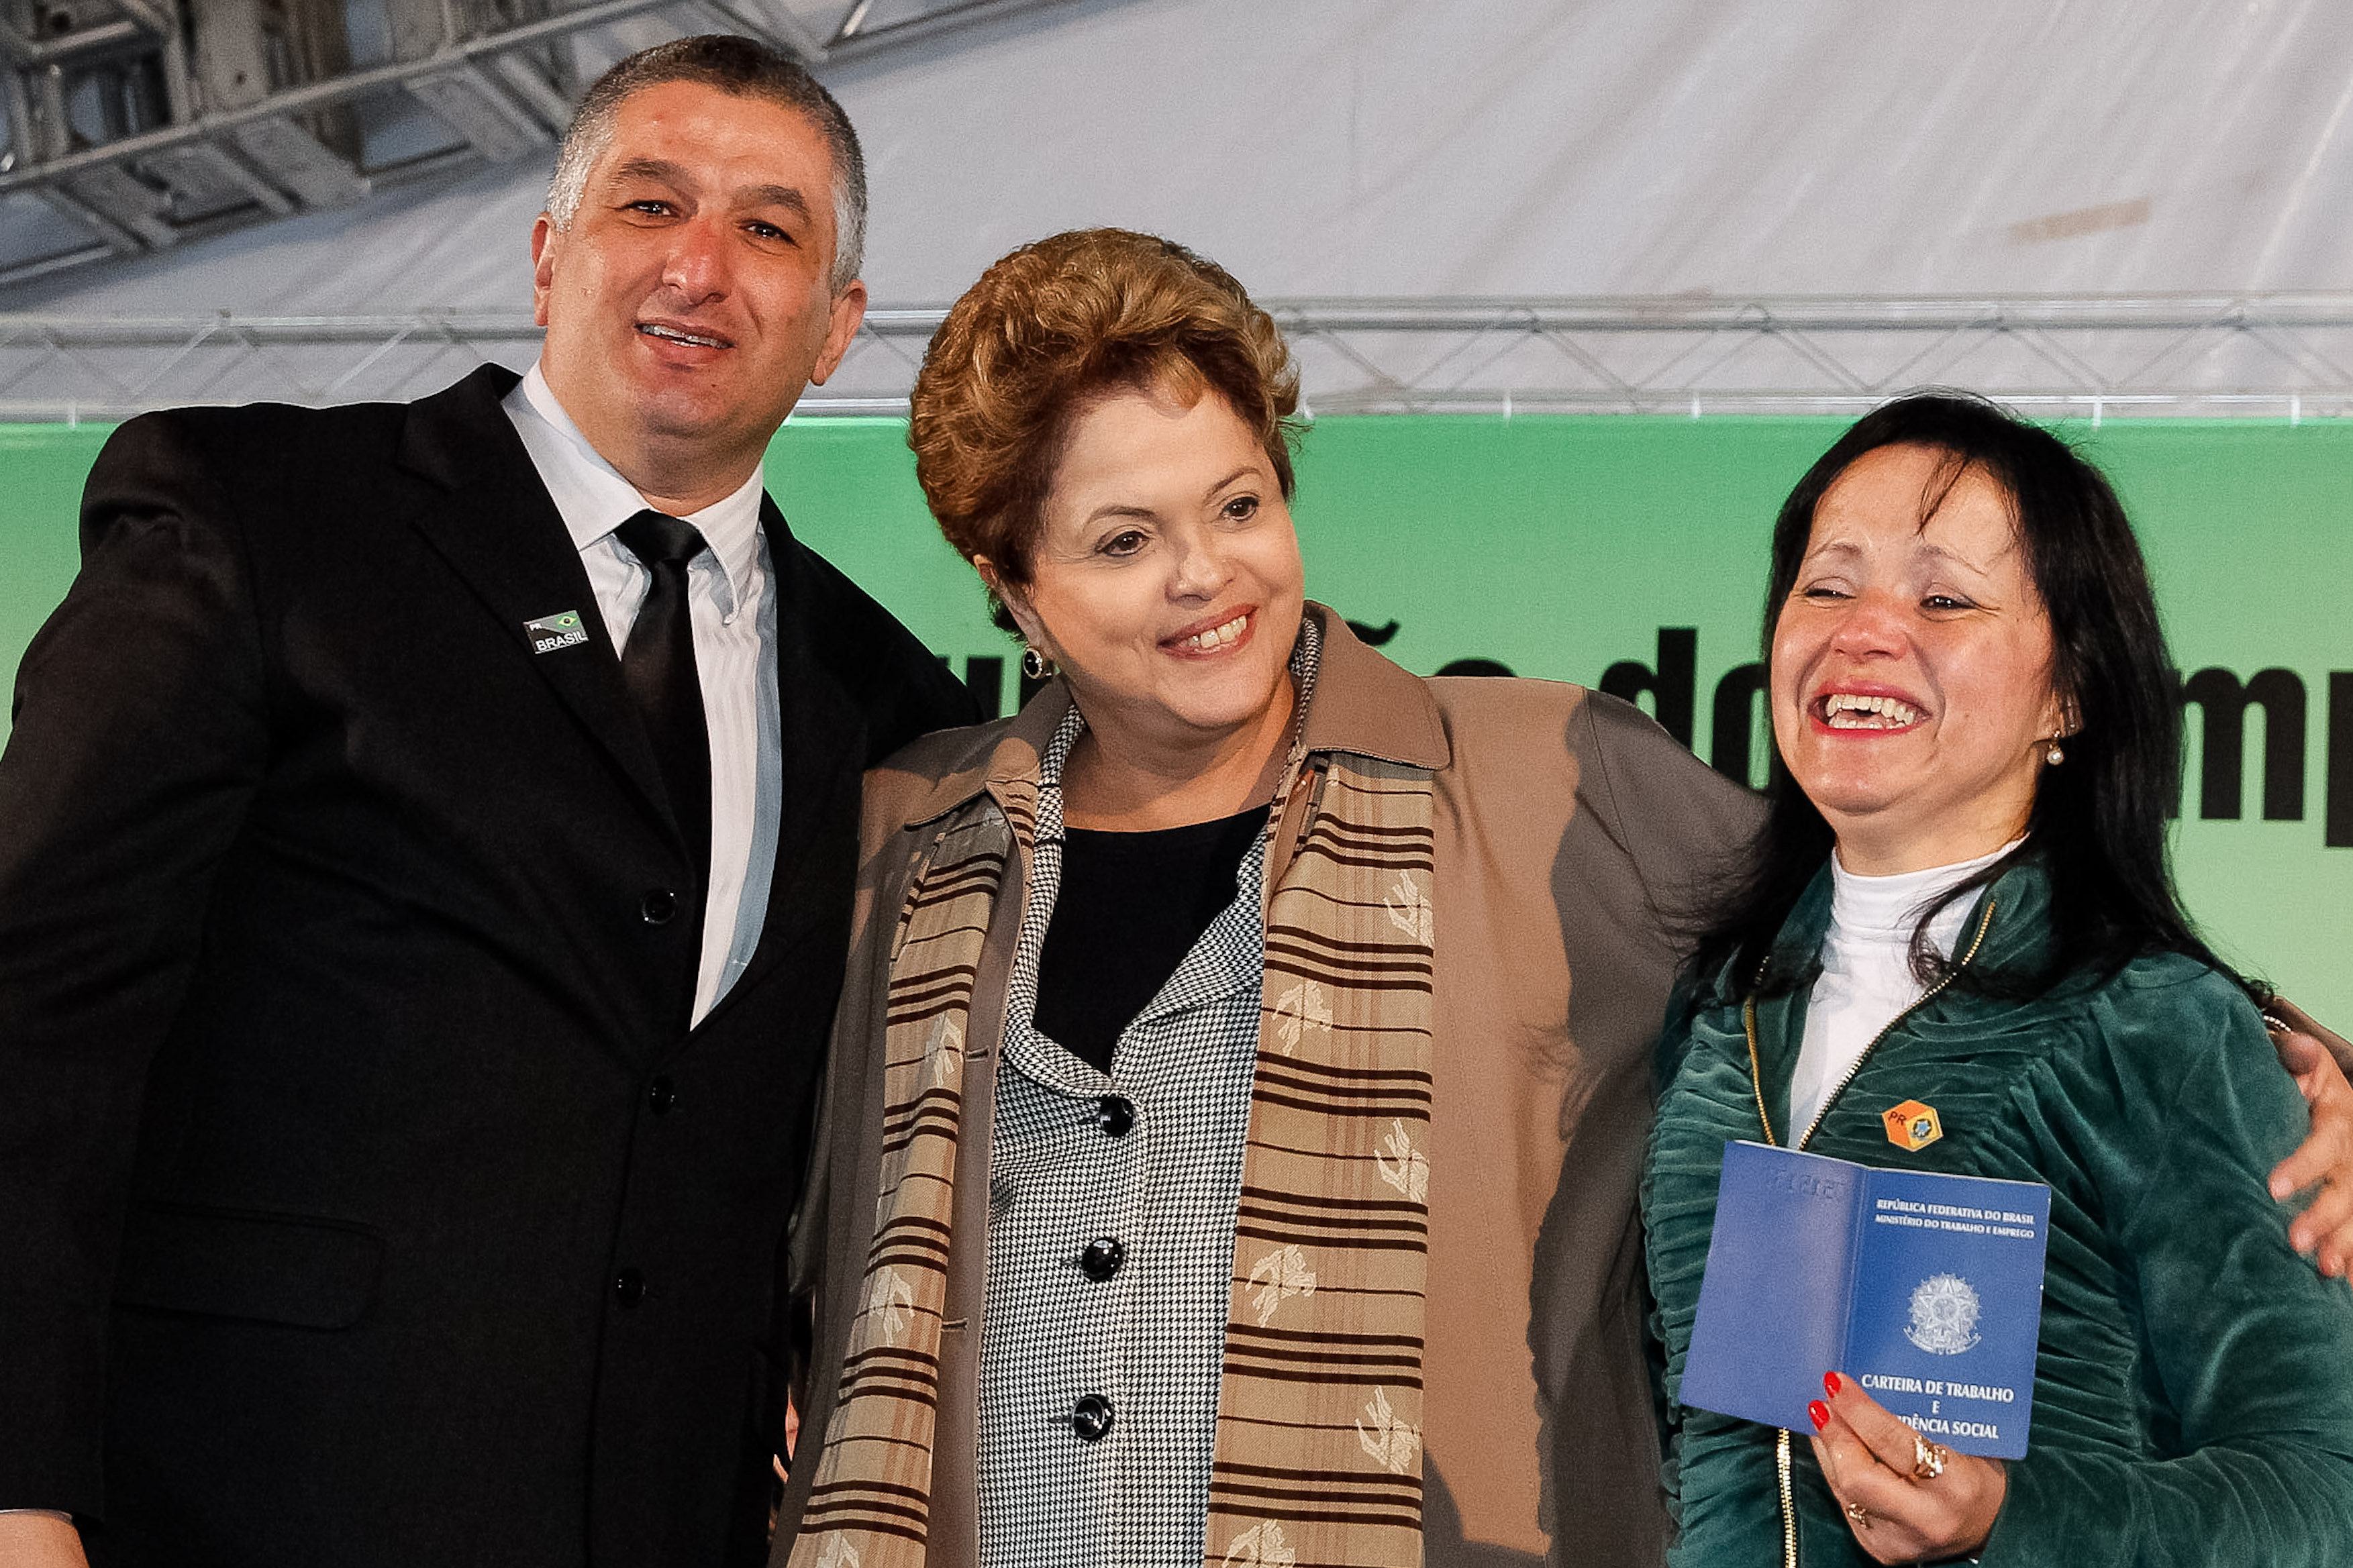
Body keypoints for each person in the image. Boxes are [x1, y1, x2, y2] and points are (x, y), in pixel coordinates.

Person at [767, 231, 2353, 1568]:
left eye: (1238, 502)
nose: (1209, 576)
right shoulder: (905, 837)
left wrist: (2288, 1050)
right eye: (1124, 538)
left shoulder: (1546, 777)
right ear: (1009, 584)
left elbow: (1916, 891)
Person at [0, 36, 970, 1568]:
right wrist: (17, 1484)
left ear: (836, 326)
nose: (701, 267)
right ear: (546, 258)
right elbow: (35, 1002)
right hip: (237, 1506)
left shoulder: (891, 698)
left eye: (768, 229)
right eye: (649, 205)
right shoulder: (261, 518)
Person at [1642, 393, 2353, 1565]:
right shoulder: (1720, 1009)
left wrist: (2006, 1518)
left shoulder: (2157, 1024)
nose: (1863, 632)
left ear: (2068, 691)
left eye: (1941, 596)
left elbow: (2321, 1491)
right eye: (1827, 584)